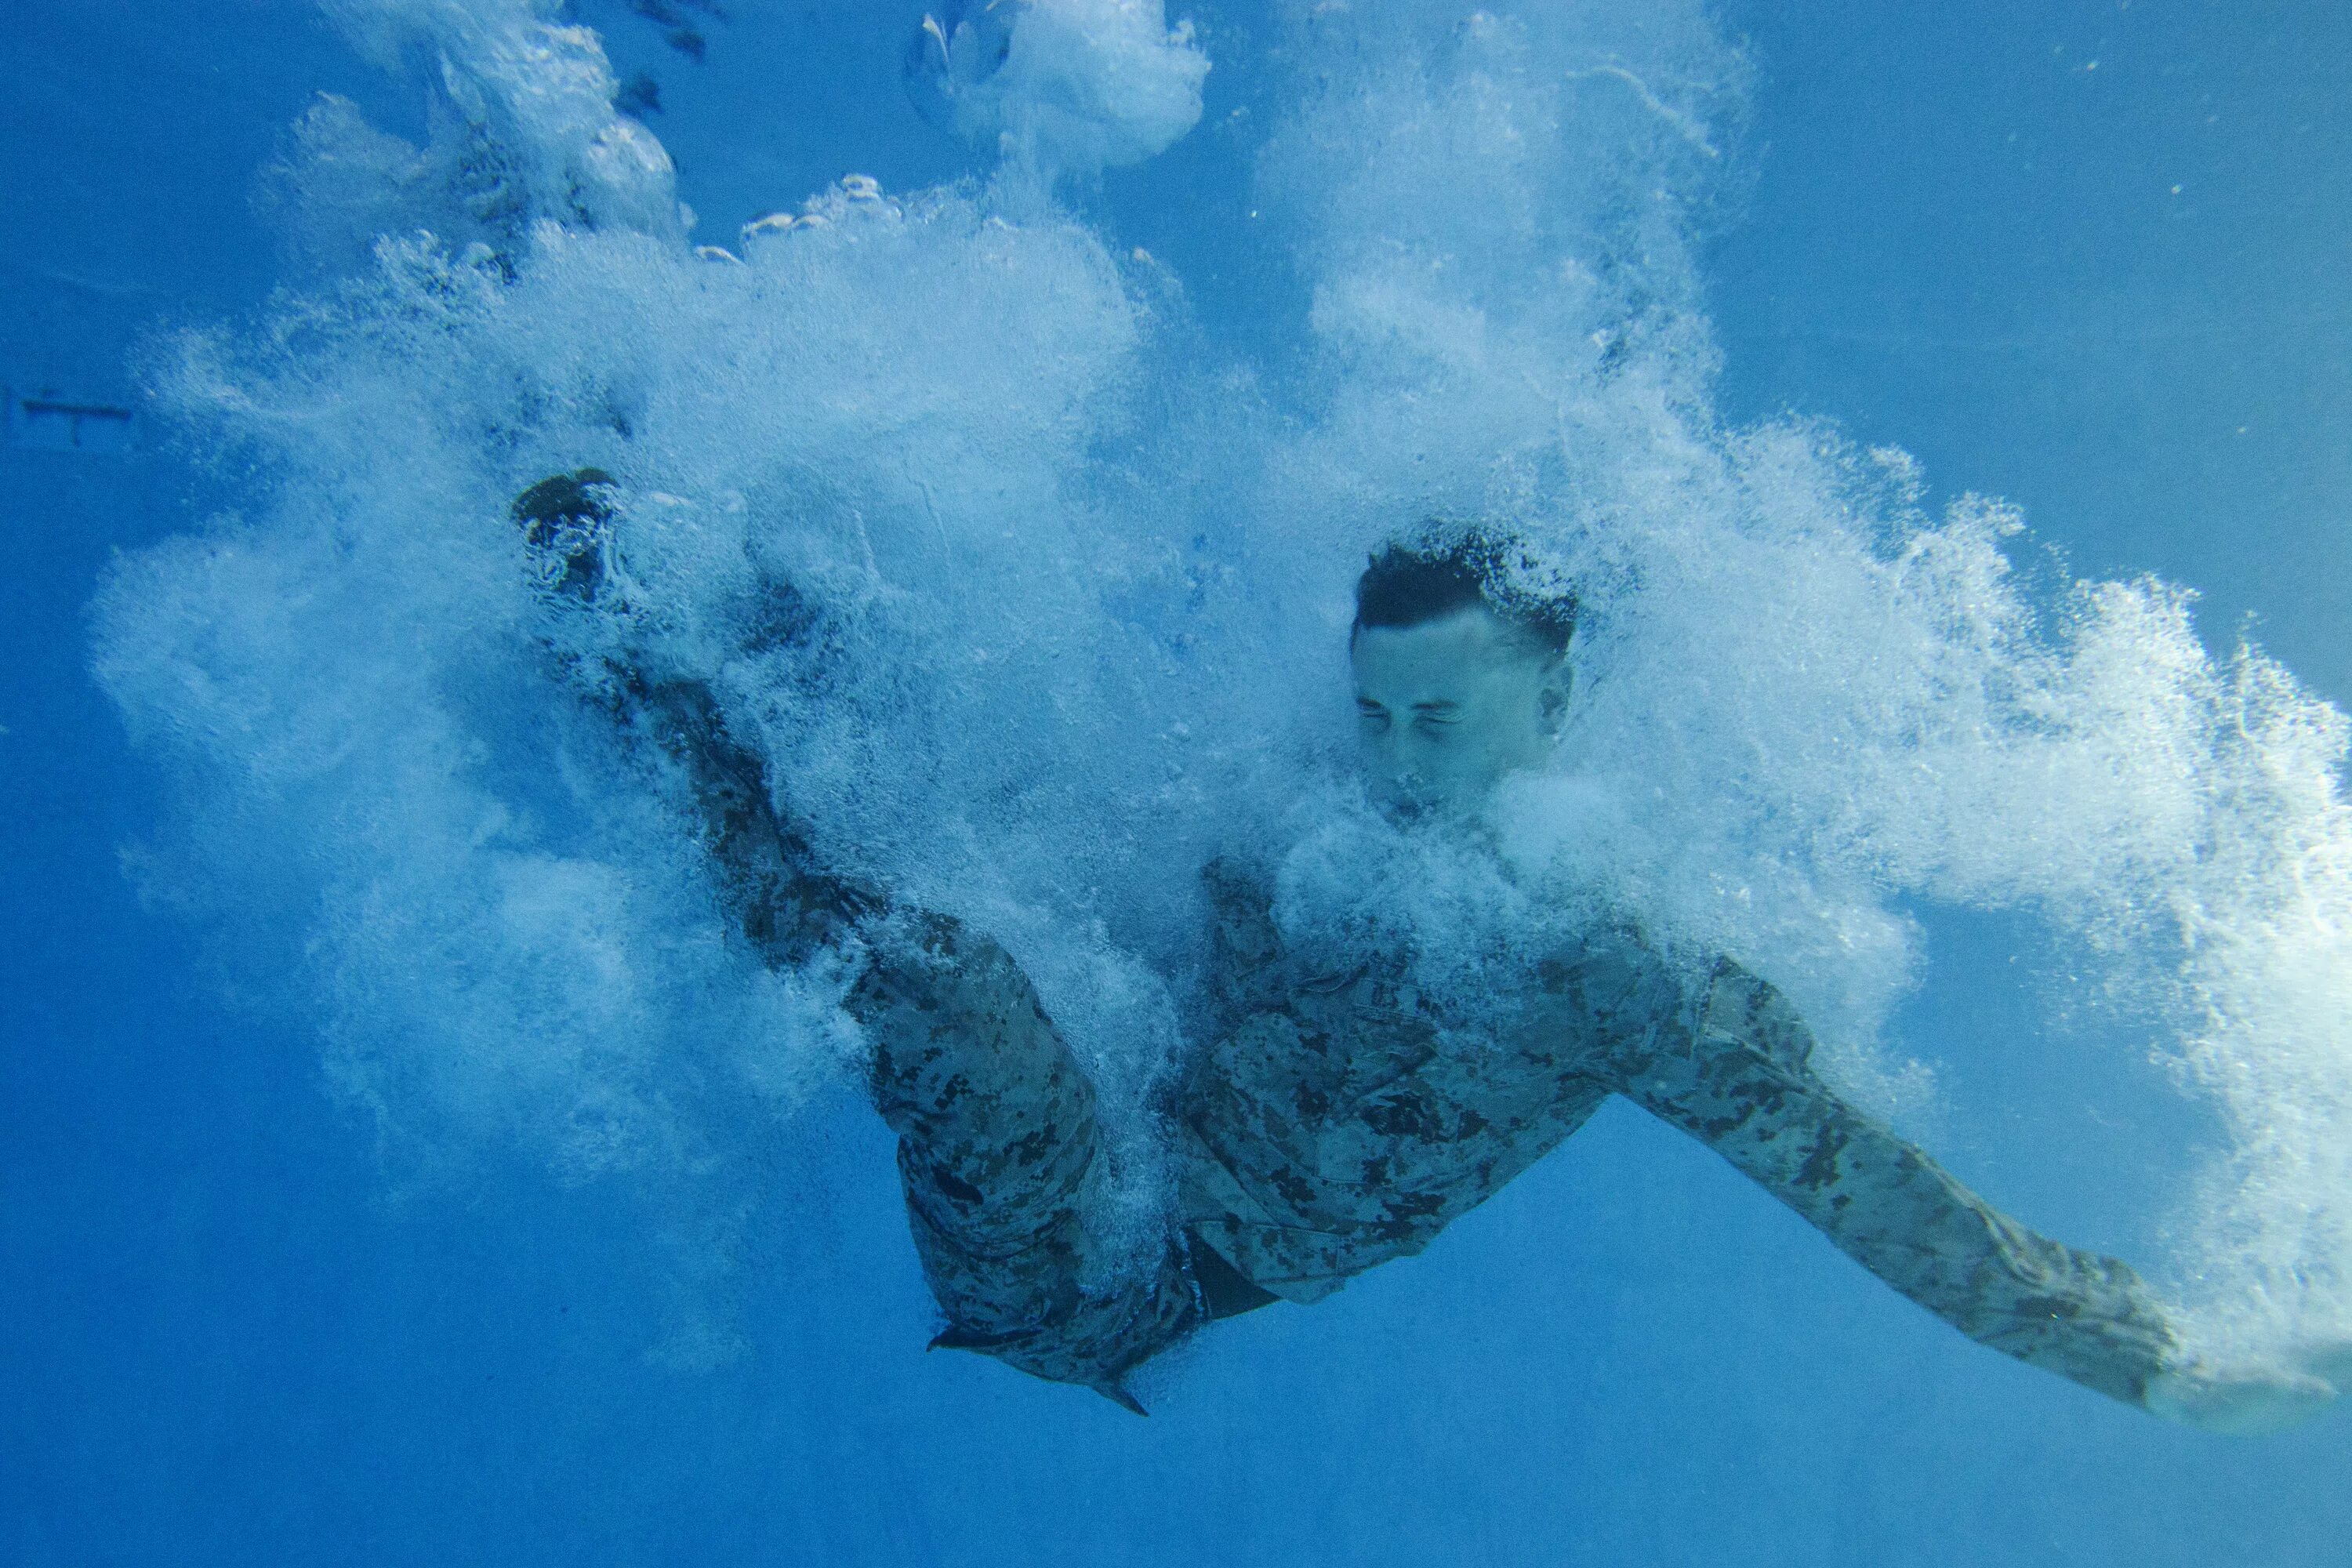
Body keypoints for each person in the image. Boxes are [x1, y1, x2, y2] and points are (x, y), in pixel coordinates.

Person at [513, 471, 2341, 1432]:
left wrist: (2147, 1357)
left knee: (945, 984)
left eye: (1442, 722)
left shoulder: (1611, 968)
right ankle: (682, 580)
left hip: (1114, 1283)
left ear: (1557, 689)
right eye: (1375, 712)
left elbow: (1849, 1174)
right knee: (904, 711)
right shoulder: (1328, 794)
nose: (1395, 761)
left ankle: (619, 671)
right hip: (1100, 1102)